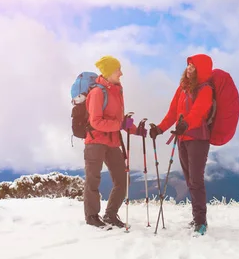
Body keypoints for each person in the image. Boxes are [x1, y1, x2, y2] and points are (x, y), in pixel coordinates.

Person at [150, 54, 214, 234]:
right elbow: (172, 113)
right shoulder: (182, 88)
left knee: (196, 180)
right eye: (188, 66)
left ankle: (201, 222)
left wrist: (185, 124)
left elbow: (198, 112)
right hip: (183, 139)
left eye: (193, 67)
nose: (188, 69)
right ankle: (196, 219)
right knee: (189, 180)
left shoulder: (206, 89)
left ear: (200, 69)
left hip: (198, 138)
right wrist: (160, 129)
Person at [83, 55, 146, 229]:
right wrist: (120, 125)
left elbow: (120, 120)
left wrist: (136, 130)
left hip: (112, 142)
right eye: (118, 70)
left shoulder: (116, 90)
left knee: (122, 179)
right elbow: (96, 121)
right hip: (95, 141)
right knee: (93, 180)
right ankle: (91, 217)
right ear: (109, 72)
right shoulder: (97, 92)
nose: (121, 73)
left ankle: (110, 215)